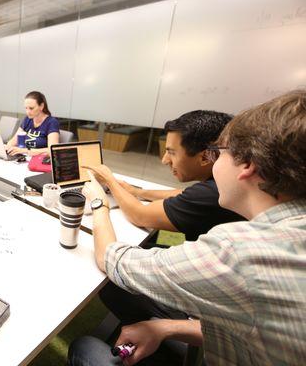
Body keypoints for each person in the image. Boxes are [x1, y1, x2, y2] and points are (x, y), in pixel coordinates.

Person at [70, 91, 306, 365]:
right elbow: (247, 325)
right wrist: (166, 328)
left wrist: (98, 200)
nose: (213, 160)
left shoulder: (239, 252)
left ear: (247, 165)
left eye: (218, 154)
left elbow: (113, 259)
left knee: (86, 347)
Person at [86, 110, 244, 241]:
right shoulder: (224, 182)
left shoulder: (211, 193)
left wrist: (109, 180)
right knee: (154, 237)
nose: (164, 160)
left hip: (189, 249)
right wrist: (138, 192)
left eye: (171, 153)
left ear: (205, 157)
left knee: (145, 241)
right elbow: (182, 195)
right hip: (192, 239)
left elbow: (139, 215)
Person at [5, 91, 60, 156]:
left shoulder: (51, 122)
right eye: (26, 108)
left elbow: (52, 150)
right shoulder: (28, 119)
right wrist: (8, 148)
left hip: (39, 160)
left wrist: (26, 151)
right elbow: (13, 141)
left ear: (41, 106)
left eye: (31, 108)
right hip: (25, 157)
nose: (28, 112)